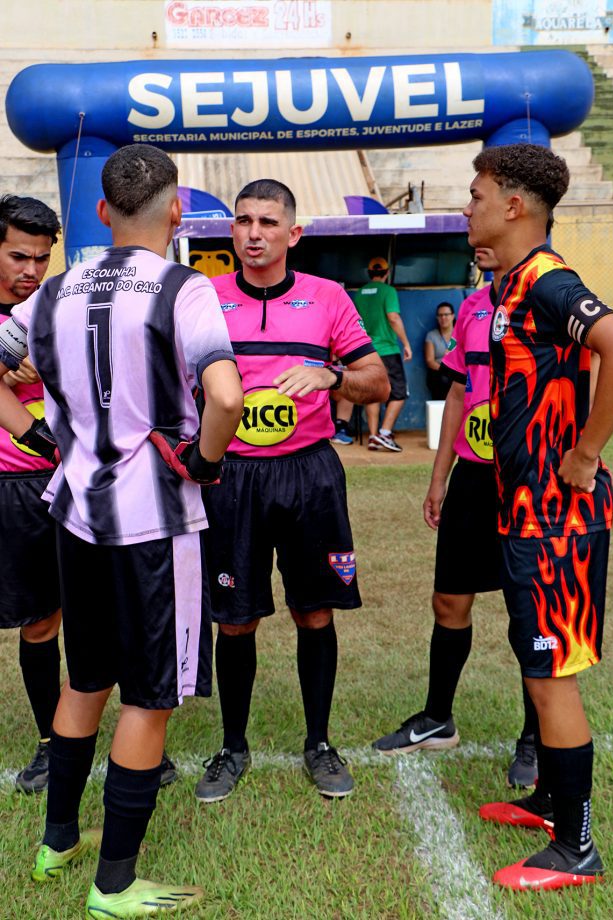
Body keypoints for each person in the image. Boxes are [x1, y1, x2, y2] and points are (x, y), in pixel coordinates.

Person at [0, 144, 243, 917]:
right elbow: (228, 399)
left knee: (84, 678)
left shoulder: (58, 288)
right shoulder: (184, 288)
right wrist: (203, 465)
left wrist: (36, 435)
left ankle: (56, 840)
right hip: (152, 525)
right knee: (148, 697)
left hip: (75, 513)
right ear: (175, 212)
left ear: (100, 214)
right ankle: (114, 884)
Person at [463, 143, 613, 890]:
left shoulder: (546, 281)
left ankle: (575, 848)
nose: (467, 206)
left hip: (555, 518)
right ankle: (547, 801)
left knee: (551, 675)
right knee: (535, 662)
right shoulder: (510, 283)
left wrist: (584, 453)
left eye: (476, 195)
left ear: (512, 205)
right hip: (526, 513)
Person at [196, 179, 389, 803]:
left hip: (308, 473)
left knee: (315, 609)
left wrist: (330, 373)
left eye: (269, 222)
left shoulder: (328, 298)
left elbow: (377, 380)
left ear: (293, 234)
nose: (255, 233)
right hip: (233, 478)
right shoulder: (203, 298)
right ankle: (232, 746)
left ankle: (320, 742)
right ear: (231, 232)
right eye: (244, 221)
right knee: (236, 618)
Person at [373, 247, 539, 790]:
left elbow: (609, 360)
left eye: (477, 203)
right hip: (472, 476)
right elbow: (462, 393)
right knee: (449, 600)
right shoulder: (470, 308)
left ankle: (536, 737)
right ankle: (438, 718)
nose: (469, 219)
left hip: (529, 481)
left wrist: (580, 452)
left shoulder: (552, 295)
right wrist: (440, 476)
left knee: (530, 613)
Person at [0, 195, 64, 794]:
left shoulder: (52, 311)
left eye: (42, 259)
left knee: (92, 609)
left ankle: (128, 729)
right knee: (35, 622)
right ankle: (50, 742)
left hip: (65, 485)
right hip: (9, 489)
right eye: (20, 256)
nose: (32, 271)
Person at [353, 257, 411, 451]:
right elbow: (393, 318)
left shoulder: (360, 293)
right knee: (400, 392)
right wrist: (406, 343)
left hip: (366, 351)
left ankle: (372, 436)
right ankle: (385, 433)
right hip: (387, 350)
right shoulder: (388, 291)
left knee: (373, 394)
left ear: (369, 274)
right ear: (386, 273)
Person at [424, 301, 455, 400]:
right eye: (440, 315)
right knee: (443, 380)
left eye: (446, 314)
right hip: (439, 372)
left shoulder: (460, 334)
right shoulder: (432, 335)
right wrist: (446, 371)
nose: (443, 318)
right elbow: (430, 361)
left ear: (453, 316)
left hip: (457, 371)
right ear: (437, 318)